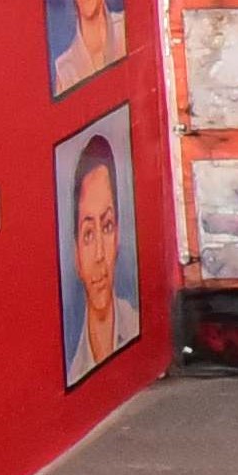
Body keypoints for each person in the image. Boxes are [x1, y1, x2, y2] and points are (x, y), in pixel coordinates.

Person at [61, 130, 136, 379]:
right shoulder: (74, 372)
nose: (100, 254)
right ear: (76, 255)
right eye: (88, 235)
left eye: (107, 226)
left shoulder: (135, 324)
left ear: (118, 236)